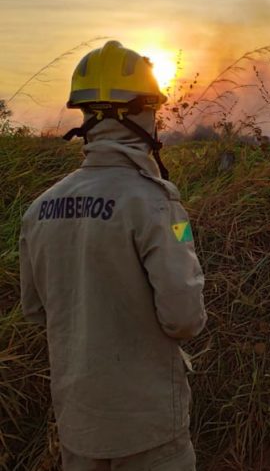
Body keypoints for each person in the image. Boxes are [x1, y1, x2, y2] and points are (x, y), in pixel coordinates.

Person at [19, 40, 207, 470]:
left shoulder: (39, 209)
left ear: (86, 116)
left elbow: (35, 310)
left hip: (79, 427)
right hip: (148, 429)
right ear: (138, 114)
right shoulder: (158, 205)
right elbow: (184, 318)